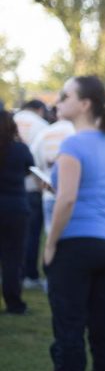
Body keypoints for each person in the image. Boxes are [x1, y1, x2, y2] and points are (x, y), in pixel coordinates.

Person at [42, 76, 105, 371]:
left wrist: (50, 243)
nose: (59, 101)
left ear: (86, 104)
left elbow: (68, 200)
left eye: (66, 96)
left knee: (69, 330)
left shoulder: (73, 144)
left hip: (75, 245)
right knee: (104, 327)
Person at [0, 110, 34, 314]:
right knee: (13, 257)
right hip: (15, 207)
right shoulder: (20, 149)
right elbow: (31, 168)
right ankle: (14, 302)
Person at [14, 99, 49, 289]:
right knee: (33, 233)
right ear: (40, 110)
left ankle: (11, 275)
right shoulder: (42, 126)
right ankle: (30, 274)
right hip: (33, 188)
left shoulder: (11, 120)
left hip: (9, 186)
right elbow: (39, 160)